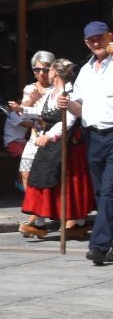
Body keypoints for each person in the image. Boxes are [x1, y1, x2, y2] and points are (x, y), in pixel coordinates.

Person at [22, 57, 92, 240]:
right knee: (42, 178)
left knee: (68, 183)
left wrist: (49, 136)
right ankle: (39, 223)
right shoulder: (51, 92)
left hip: (66, 144)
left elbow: (68, 121)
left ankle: (78, 221)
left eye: (49, 70)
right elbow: (43, 114)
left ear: (55, 72)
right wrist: (20, 110)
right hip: (49, 144)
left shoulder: (68, 93)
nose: (46, 74)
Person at [66, 20, 113, 266]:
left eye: (101, 37)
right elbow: (78, 106)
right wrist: (67, 104)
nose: (97, 42)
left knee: (108, 192)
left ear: (110, 37)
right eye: (92, 39)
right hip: (93, 137)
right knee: (100, 193)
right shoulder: (85, 70)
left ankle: (99, 246)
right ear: (86, 42)